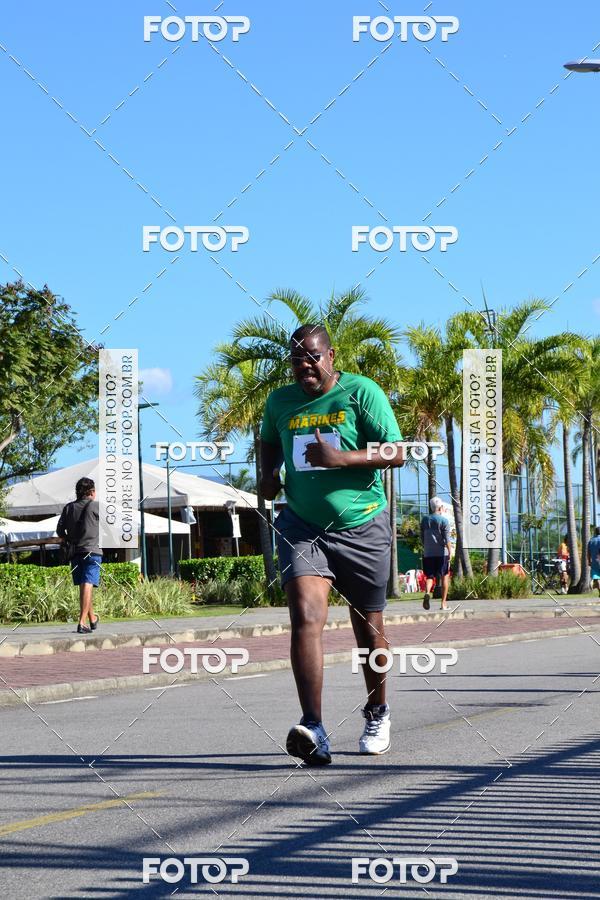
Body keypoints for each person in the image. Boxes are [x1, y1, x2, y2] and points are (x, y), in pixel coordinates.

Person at [260, 324, 405, 765]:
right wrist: (267, 477)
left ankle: (377, 711)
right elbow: (268, 442)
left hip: (363, 524)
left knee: (368, 626)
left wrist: (342, 458)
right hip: (303, 525)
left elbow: (396, 452)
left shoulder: (361, 392)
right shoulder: (280, 401)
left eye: (313, 357)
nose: (306, 365)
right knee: (305, 616)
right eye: (298, 359)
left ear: (331, 355)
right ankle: (314, 727)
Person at [57, 477, 102, 633]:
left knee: (84, 585)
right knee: (87, 584)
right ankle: (82, 622)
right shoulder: (96, 507)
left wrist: (70, 537)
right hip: (92, 551)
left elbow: (60, 532)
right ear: (91, 492)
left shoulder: (68, 508)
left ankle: (92, 619)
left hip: (75, 553)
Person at [420, 497, 451, 611]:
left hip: (428, 553)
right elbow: (447, 539)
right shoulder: (444, 521)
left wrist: (426, 547)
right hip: (442, 553)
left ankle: (427, 592)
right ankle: (443, 604)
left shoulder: (424, 520)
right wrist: (450, 552)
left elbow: (422, 538)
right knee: (445, 577)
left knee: (430, 576)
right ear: (441, 507)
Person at [587, 527, 600, 597]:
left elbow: (588, 553)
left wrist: (589, 561)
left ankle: (596, 586)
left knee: (597, 577)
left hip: (594, 562)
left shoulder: (591, 541)